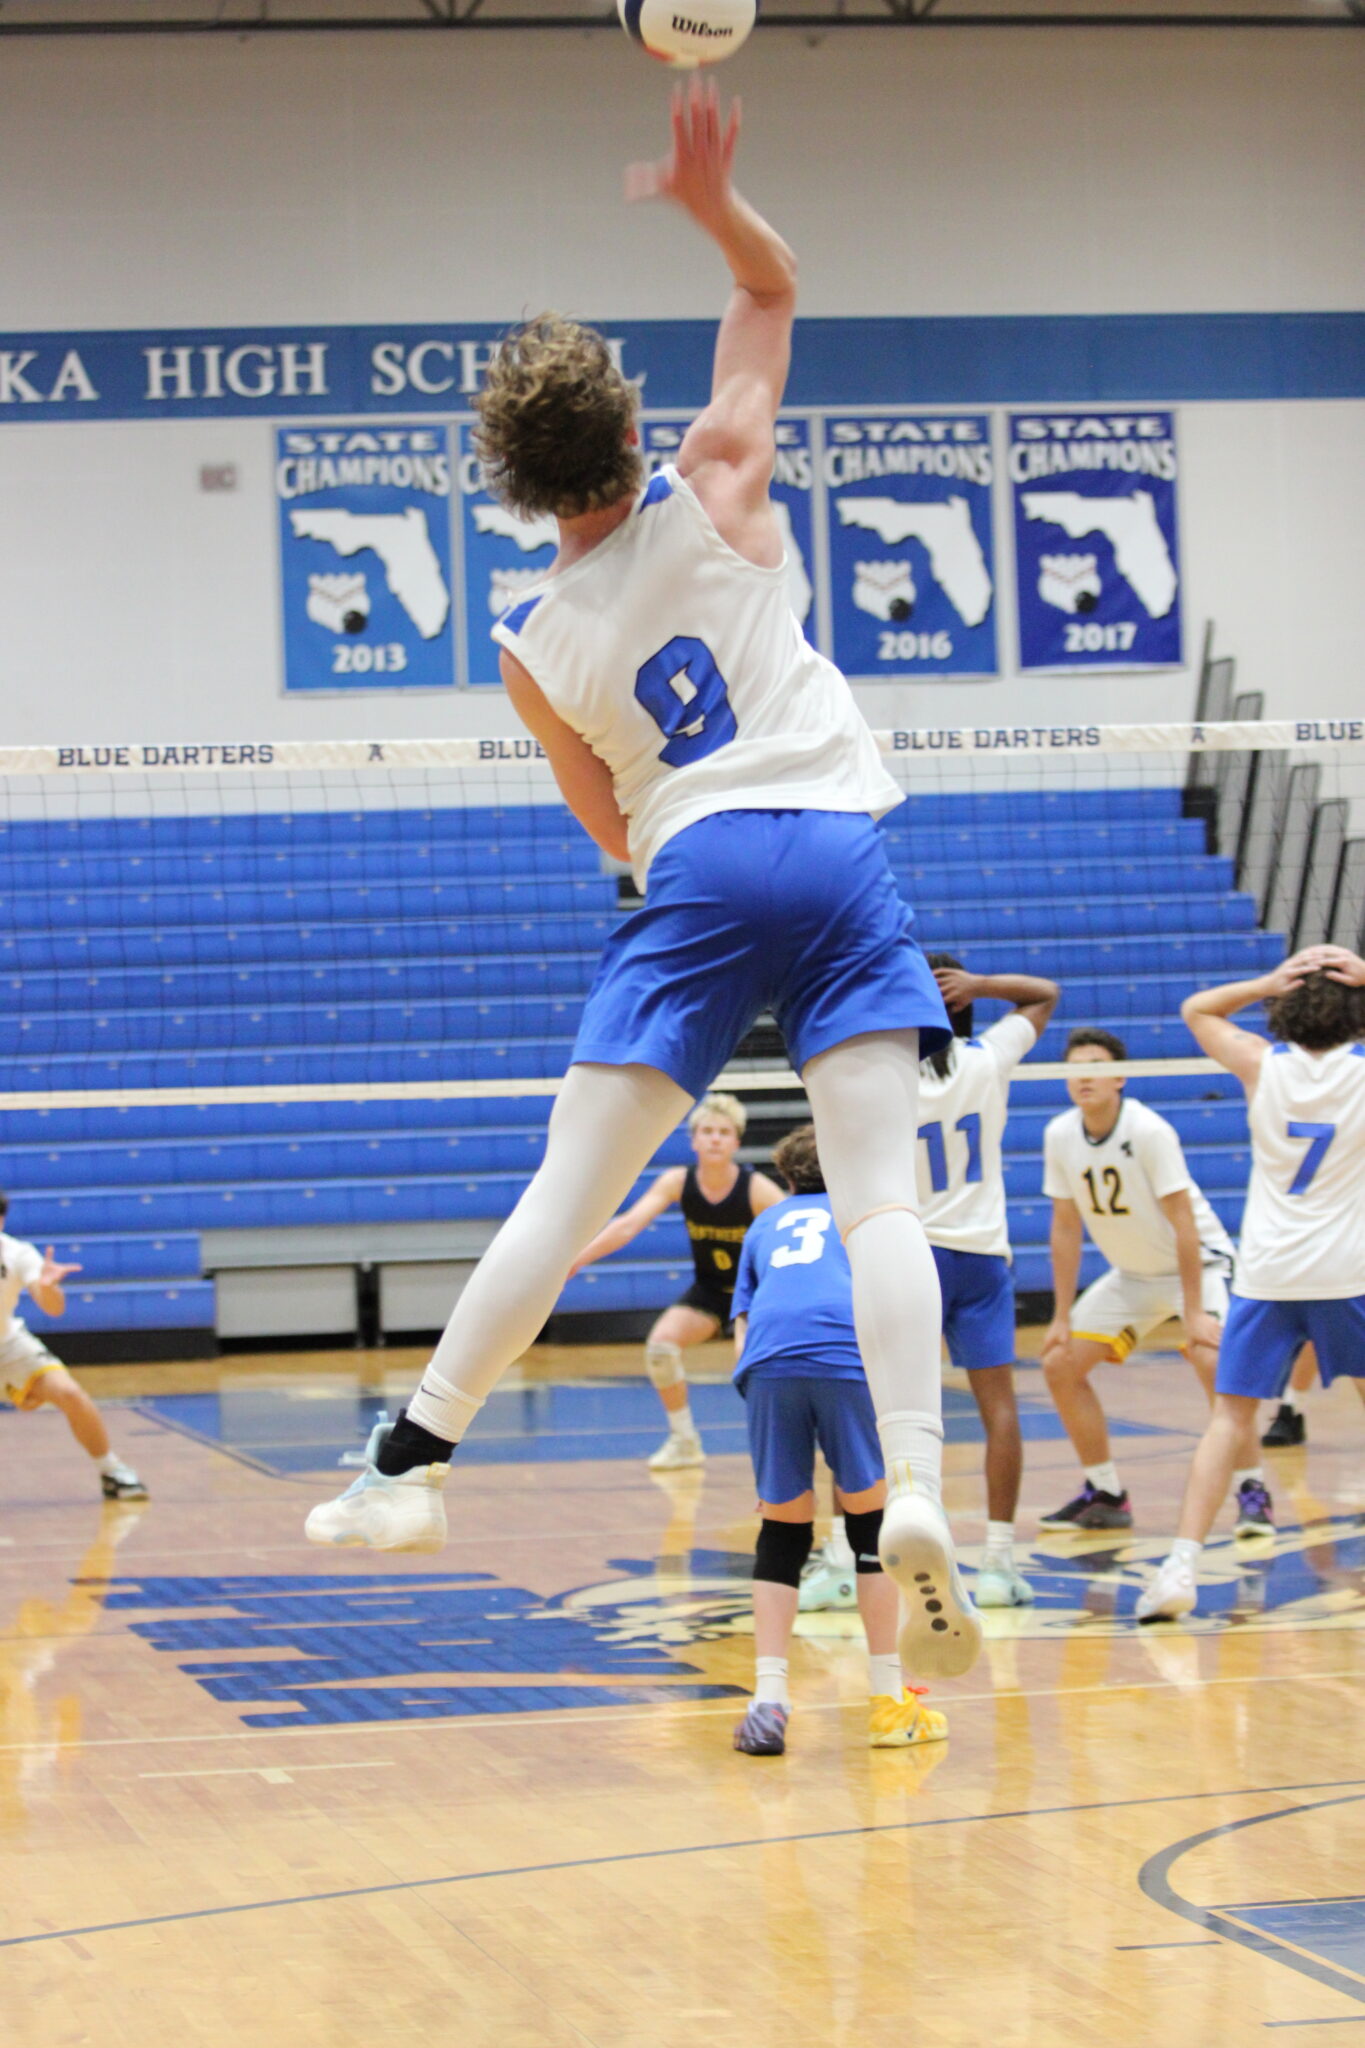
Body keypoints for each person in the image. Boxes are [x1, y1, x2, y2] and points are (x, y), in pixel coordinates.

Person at [306, 81, 981, 1682]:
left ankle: (414, 1462)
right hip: (833, 847)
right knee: (882, 1194)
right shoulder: (723, 474)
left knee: (565, 1186)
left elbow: (607, 829)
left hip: (689, 867)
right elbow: (771, 289)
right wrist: (708, 206)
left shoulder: (530, 646)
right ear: (625, 429)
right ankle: (921, 1497)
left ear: (524, 489)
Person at [1138, 946, 1365, 1621]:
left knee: (1228, 1420)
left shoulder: (1259, 1064)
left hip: (1268, 1273)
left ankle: (1179, 1567)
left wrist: (1267, 980)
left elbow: (1195, 1009)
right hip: (1347, 1270)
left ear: (1282, 1013)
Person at [729, 1126, 949, 1756]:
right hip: (847, 1359)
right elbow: (902, 1309)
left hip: (769, 1368)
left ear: (788, 1176)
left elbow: (746, 1331)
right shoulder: (868, 1218)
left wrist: (772, 1471)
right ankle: (888, 1702)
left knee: (782, 1531)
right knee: (872, 1528)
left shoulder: (765, 1224)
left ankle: (768, 1702)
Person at [1037, 1029, 1257, 1534]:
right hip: (1134, 1278)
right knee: (1059, 1364)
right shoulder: (1059, 1135)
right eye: (1074, 1068)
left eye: (1094, 1064)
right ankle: (1106, 1492)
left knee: (1214, 1360)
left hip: (1198, 1268)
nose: (1083, 1076)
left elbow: (1184, 1222)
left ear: (1120, 1077)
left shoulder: (1148, 1129)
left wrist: (1196, 1311)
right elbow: (1066, 1228)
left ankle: (1252, 1489)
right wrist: (1060, 1316)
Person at [916, 954, 1060, 1605]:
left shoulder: (879, 1074)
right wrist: (978, 984)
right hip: (978, 1256)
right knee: (997, 1407)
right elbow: (1043, 992)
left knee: (881, 1409)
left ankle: (852, 1552)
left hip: (910, 1258)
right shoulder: (985, 1059)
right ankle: (998, 1562)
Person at [569, 1092, 783, 1468]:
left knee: (755, 1369)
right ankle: (684, 1440)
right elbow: (628, 1225)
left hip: (755, 1295)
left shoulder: (757, 1190)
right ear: (694, 1139)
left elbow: (795, 1229)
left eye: (724, 1132)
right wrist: (577, 1259)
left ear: (736, 1140)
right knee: (661, 1349)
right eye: (708, 1131)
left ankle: (781, 1450)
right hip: (711, 1291)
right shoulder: (676, 1182)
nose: (715, 1138)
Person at [0, 1194, 147, 1501]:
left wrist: (50, 1286)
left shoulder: (17, 1253)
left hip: (7, 1345)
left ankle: (112, 1471)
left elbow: (53, 1308)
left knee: (69, 1394)